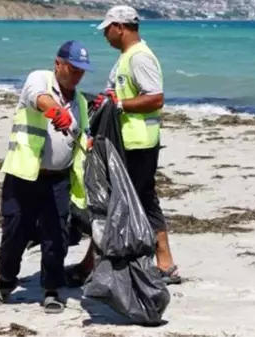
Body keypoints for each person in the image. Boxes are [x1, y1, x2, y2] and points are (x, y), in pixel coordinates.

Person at [64, 5, 181, 286]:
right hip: (128, 141)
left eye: (107, 29)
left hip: (137, 143)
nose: (105, 35)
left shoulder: (139, 58)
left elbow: (156, 98)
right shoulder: (127, 58)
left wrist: (118, 104)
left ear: (120, 27)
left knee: (116, 204)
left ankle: (92, 265)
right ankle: (164, 264)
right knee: (138, 200)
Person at [0, 40, 93, 314]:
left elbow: (83, 140)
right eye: (73, 68)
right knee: (15, 231)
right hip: (25, 174)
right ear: (58, 64)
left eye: (82, 71)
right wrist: (56, 111)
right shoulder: (39, 79)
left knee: (56, 235)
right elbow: (37, 98)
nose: (77, 75)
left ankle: (52, 289)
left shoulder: (80, 101)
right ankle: (6, 282)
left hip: (59, 179)